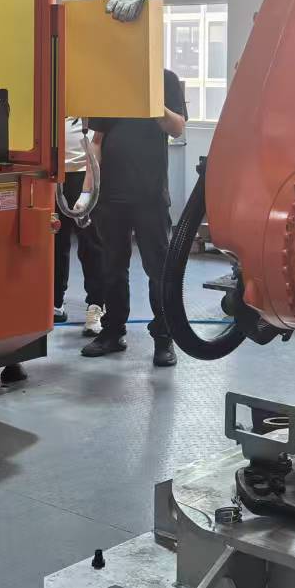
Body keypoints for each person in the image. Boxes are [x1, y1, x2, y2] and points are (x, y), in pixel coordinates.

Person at [80, 68, 187, 367]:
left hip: (150, 196)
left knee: (158, 270)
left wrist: (153, 101)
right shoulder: (112, 80)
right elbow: (97, 141)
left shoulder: (165, 79)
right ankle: (113, 332)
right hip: (111, 196)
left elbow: (177, 128)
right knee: (112, 267)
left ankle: (164, 338)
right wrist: (87, 193)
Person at [54, 117, 104, 329]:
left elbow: (99, 137)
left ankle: (96, 305)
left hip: (85, 173)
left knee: (91, 245)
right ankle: (54, 302)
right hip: (53, 173)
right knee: (55, 243)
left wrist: (87, 190)